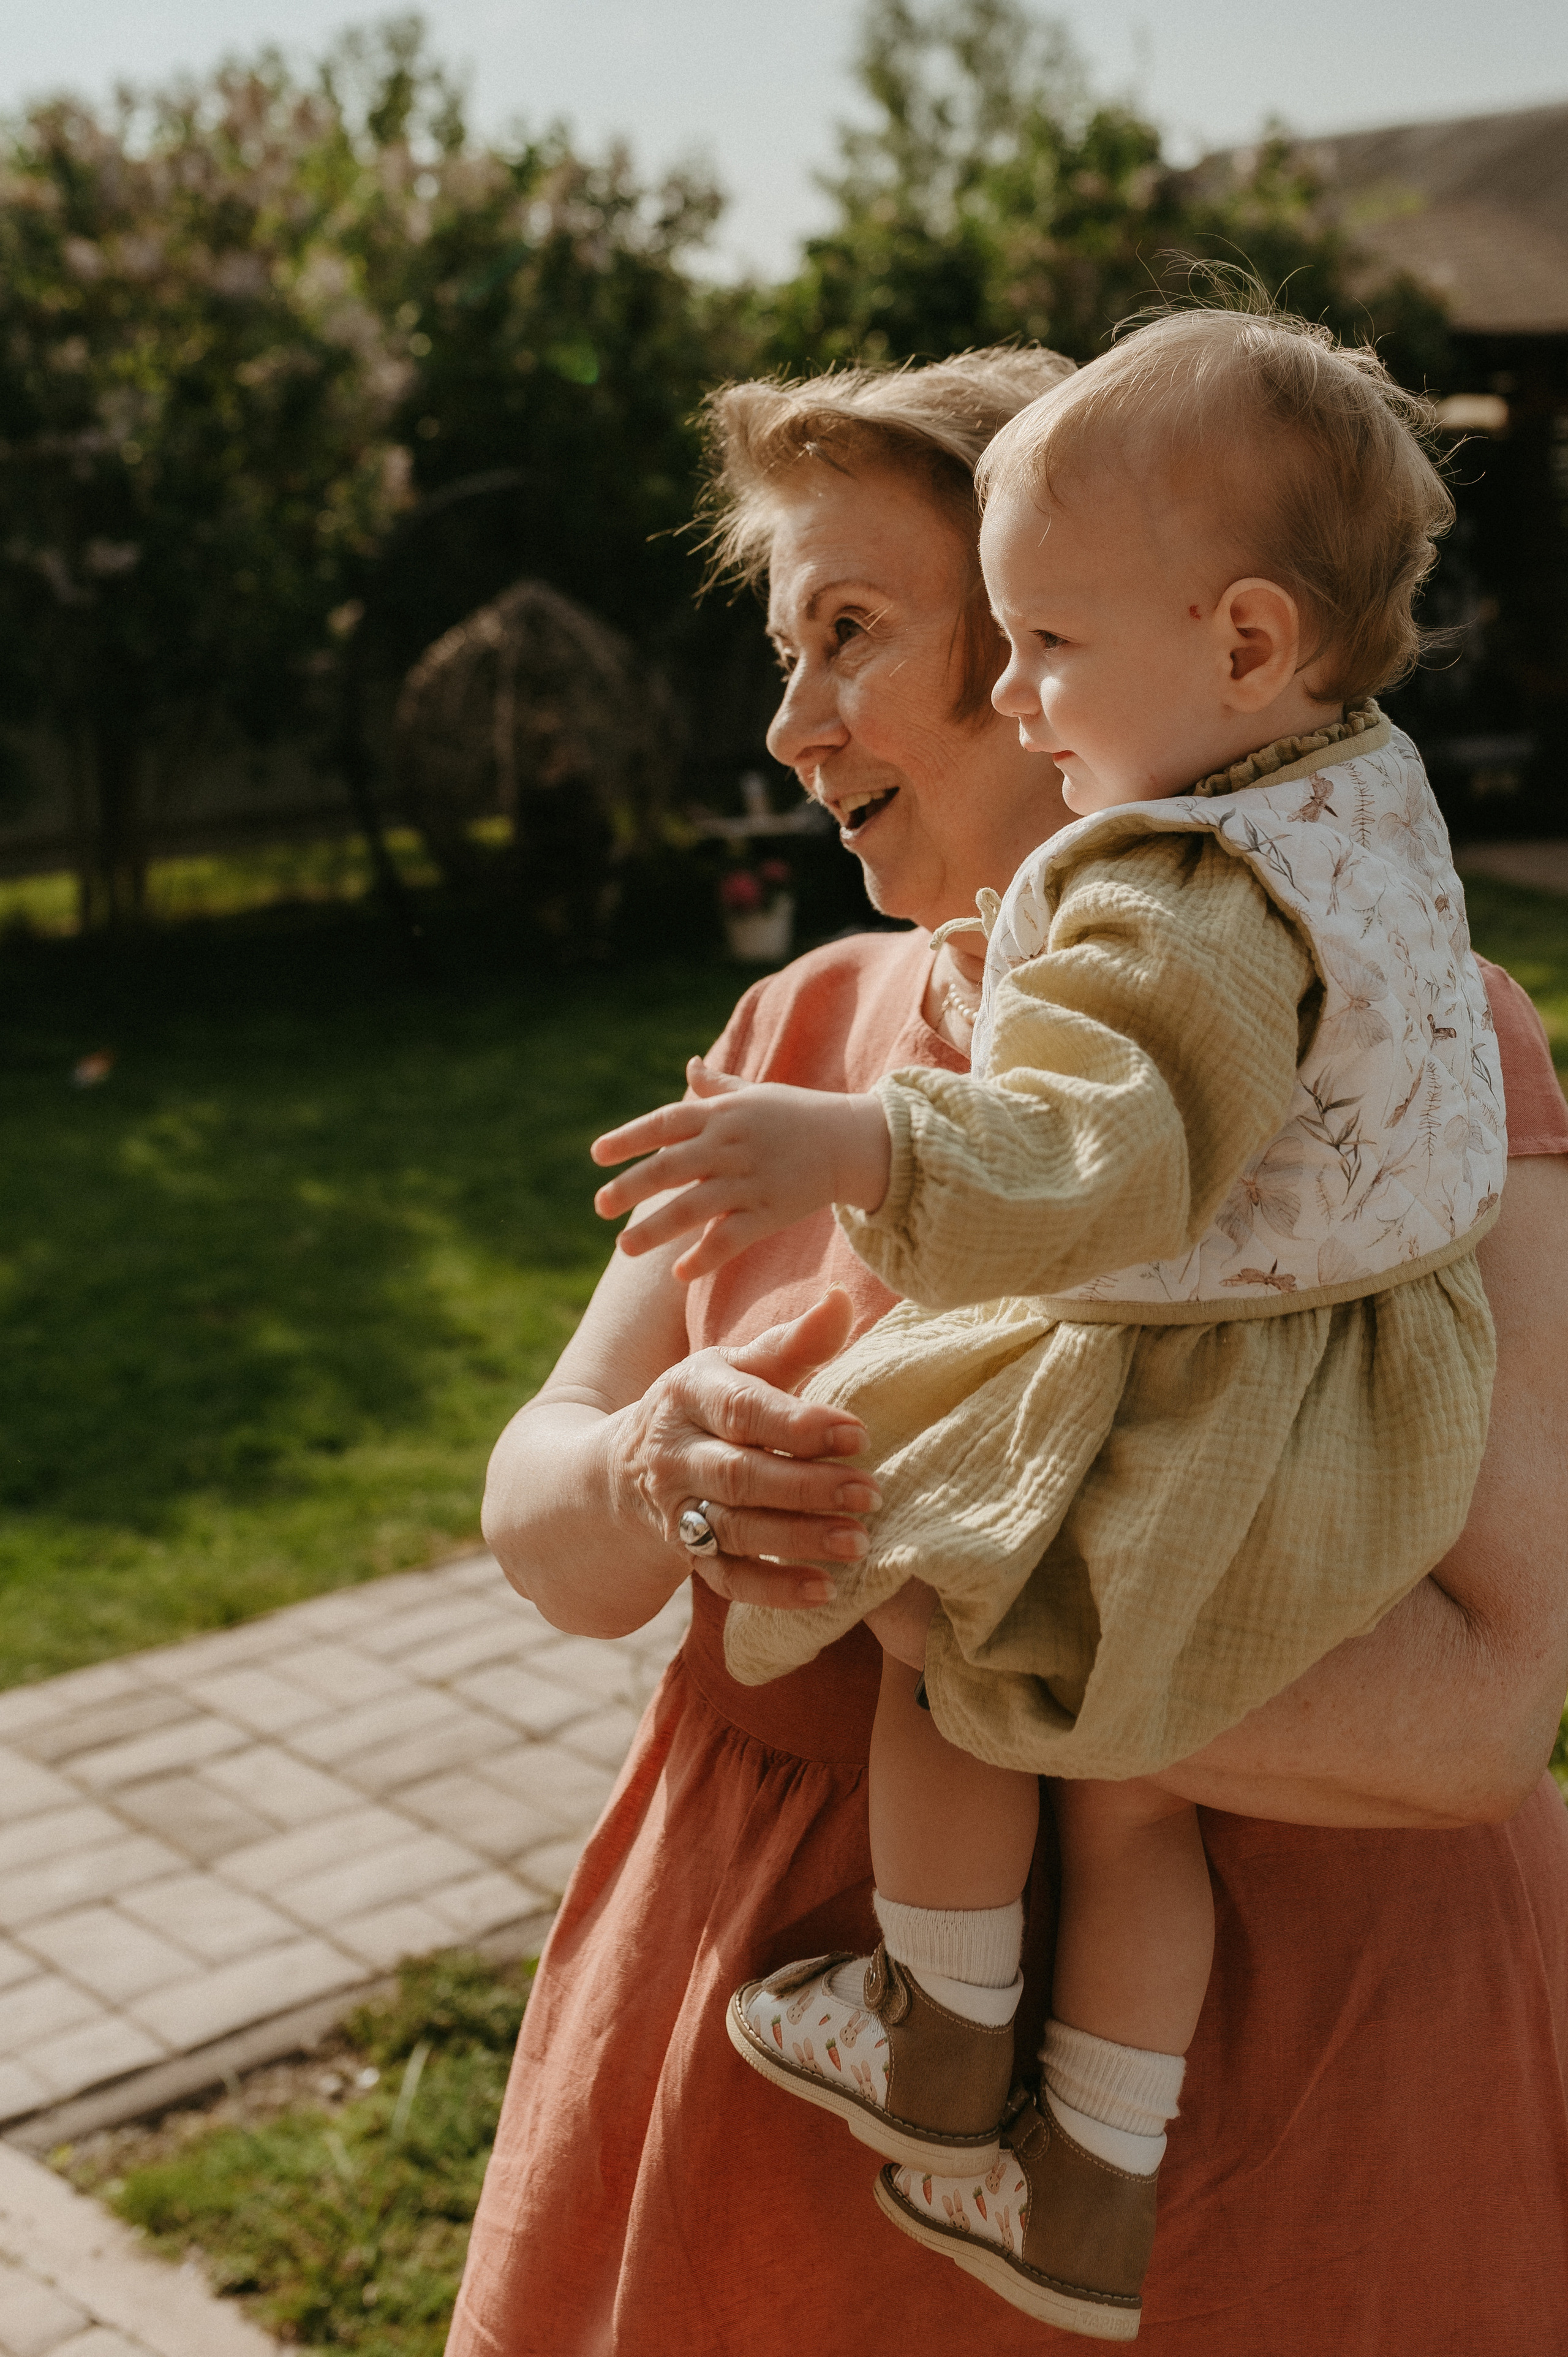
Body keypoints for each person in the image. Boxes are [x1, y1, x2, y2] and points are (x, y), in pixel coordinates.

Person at [446, 347, 1568, 2357]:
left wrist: (940, 1596)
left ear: (1062, 635)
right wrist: (643, 1477)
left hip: (1286, 2129)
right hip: (757, 2094)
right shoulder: (802, 1037)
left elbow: (1492, 1711)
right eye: (784, 652)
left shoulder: (1415, 1052)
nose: (792, 728)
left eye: (853, 636)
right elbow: (541, 1507)